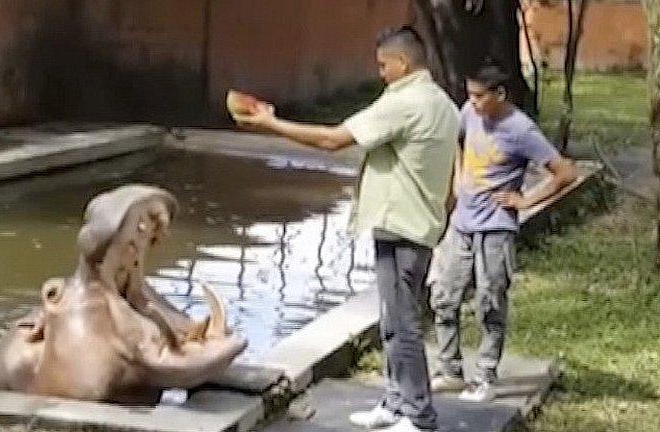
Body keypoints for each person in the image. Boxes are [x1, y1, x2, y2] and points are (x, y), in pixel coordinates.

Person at [236, 26, 458, 432]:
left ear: (403, 64)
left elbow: (332, 140)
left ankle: (419, 415)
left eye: (383, 66)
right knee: (392, 320)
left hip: (403, 226)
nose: (380, 74)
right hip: (416, 224)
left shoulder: (405, 102)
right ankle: (395, 403)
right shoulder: (443, 103)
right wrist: (441, 217)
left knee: (403, 323)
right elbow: (452, 178)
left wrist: (272, 124)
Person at [429, 63, 577, 403]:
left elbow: (565, 173)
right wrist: (457, 181)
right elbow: (458, 141)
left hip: (495, 228)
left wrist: (525, 200)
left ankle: (485, 376)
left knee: (490, 302)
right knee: (443, 296)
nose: (473, 103)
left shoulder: (521, 130)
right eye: (469, 95)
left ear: (500, 94)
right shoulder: (469, 111)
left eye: (480, 97)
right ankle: (450, 370)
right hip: (462, 224)